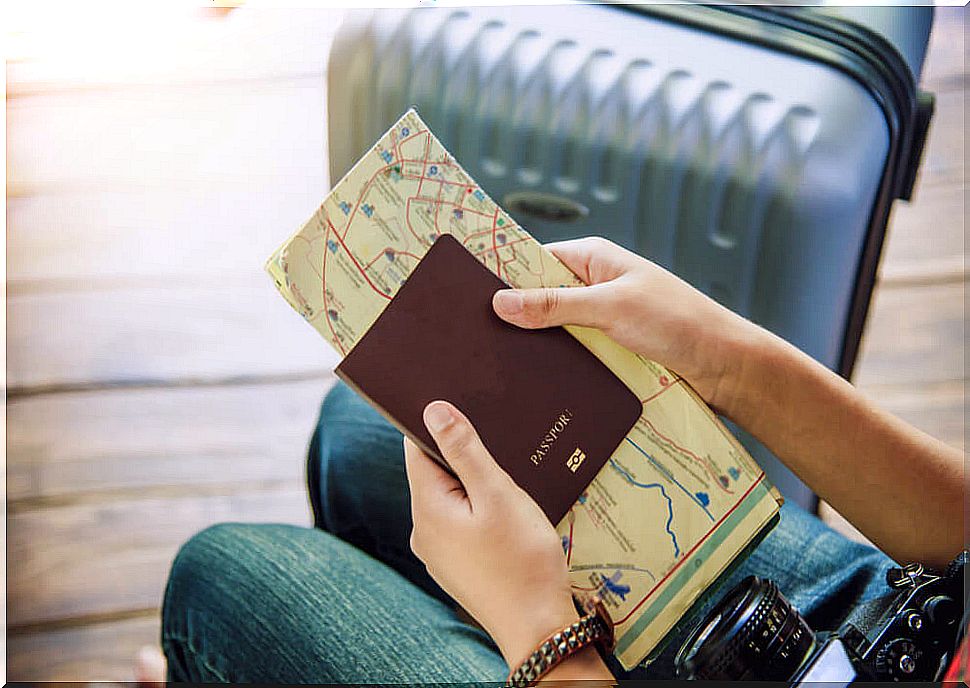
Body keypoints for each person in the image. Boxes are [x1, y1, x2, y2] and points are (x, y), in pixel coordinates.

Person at [160, 238, 964, 683]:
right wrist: (727, 361)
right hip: (907, 625)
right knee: (359, 435)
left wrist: (542, 636)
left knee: (216, 579)